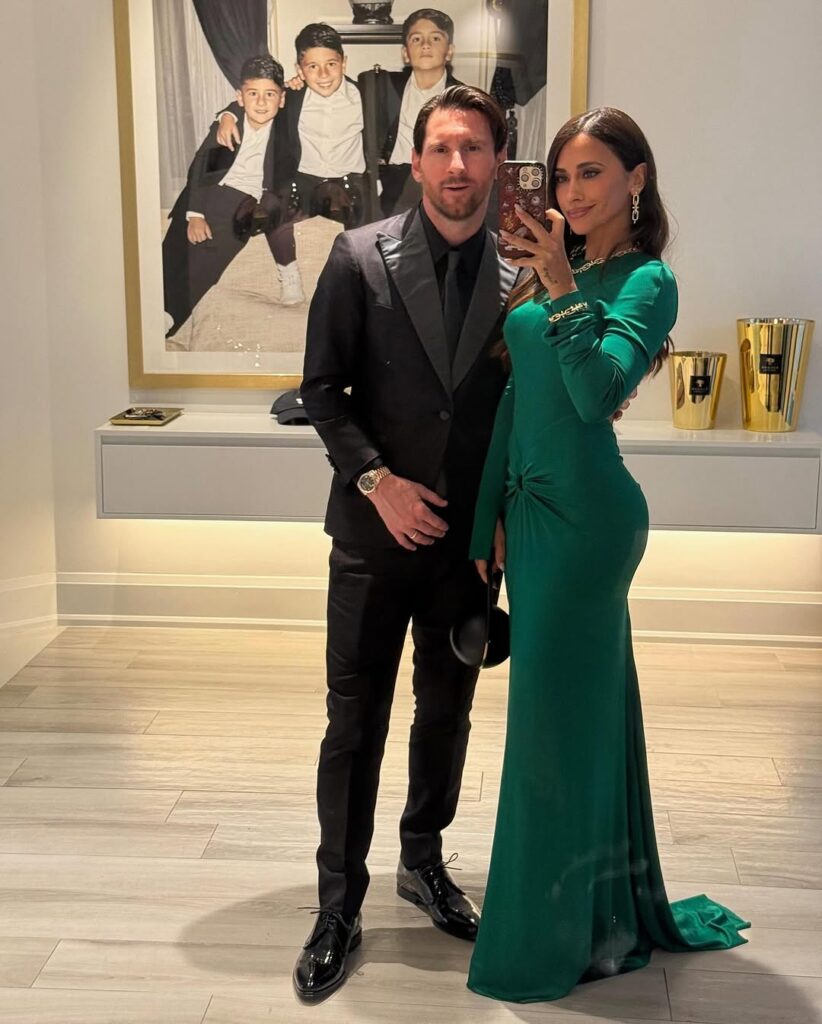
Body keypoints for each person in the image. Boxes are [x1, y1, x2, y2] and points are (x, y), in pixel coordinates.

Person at [466, 106, 750, 1003]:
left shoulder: (648, 280)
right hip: (530, 514)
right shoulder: (565, 268)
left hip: (588, 523)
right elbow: (518, 398)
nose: (572, 191)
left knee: (547, 732)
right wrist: (486, 521)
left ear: (637, 179)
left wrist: (559, 290)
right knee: (579, 721)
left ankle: (546, 938)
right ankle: (596, 909)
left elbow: (596, 397)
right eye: (562, 175)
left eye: (591, 172)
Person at [294, 85, 518, 1002]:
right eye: (442, 148)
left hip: (467, 547)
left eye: (475, 148)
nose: (458, 165)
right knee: (355, 723)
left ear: (497, 160)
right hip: (373, 537)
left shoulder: (525, 271)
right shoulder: (358, 257)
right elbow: (321, 391)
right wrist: (377, 482)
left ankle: (422, 860)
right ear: (417, 160)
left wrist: (503, 515)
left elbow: (525, 407)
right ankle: (337, 905)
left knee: (447, 713)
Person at [161, 55, 296, 336]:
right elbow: (201, 167)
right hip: (201, 196)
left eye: (270, 94)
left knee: (204, 267)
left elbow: (315, 87)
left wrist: (299, 82)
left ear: (282, 99)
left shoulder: (285, 127)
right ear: (239, 97)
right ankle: (146, 311)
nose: (261, 102)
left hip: (241, 204)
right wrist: (195, 214)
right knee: (169, 258)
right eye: (253, 94)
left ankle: (170, 317)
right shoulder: (229, 126)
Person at [218, 23, 370, 236]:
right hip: (304, 188)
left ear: (344, 63)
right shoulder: (292, 97)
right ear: (300, 70)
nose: (324, 74)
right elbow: (258, 100)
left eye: (331, 64)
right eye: (313, 67)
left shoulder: (365, 95)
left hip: (351, 190)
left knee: (356, 245)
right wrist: (228, 114)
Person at [359, 8, 461, 217]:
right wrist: (298, 84)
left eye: (435, 38)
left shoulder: (463, 98)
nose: (425, 45)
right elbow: (337, 85)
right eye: (416, 39)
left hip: (443, 184)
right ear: (405, 53)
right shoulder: (381, 85)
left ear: (449, 51)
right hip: (392, 186)